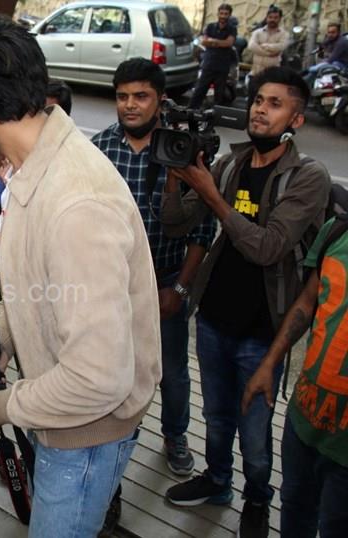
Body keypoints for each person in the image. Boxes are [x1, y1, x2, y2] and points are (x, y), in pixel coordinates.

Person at [0, 13, 162, 536]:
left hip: (85, 439)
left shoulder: (75, 205)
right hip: (56, 414)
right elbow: (39, 287)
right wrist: (5, 340)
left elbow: (99, 379)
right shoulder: (30, 168)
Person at [160, 66, 331, 538]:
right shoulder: (231, 163)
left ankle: (257, 498)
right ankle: (218, 481)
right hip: (213, 318)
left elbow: (268, 247)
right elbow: (176, 223)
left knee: (255, 436)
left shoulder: (307, 176)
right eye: (258, 100)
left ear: (296, 119)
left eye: (275, 104)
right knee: (216, 418)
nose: (260, 110)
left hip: (263, 331)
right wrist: (175, 174)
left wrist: (212, 195)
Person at [91, 58, 217, 532]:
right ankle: (117, 450)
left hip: (166, 282)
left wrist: (180, 287)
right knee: (114, 372)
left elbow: (202, 228)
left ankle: (176, 435)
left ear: (160, 100)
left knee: (173, 371)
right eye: (122, 96)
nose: (130, 105)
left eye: (140, 96)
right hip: (112, 284)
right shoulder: (99, 148)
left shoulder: (183, 150)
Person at [241, 216, 348, 538]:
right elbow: (308, 300)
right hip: (304, 421)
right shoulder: (337, 231)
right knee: (295, 509)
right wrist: (269, 363)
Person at [0, 79, 72, 253]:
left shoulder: (71, 170)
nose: (38, 122)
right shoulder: (11, 170)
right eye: (35, 114)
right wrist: (11, 186)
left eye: (46, 115)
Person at [189, 4, 237, 109]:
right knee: (199, 91)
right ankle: (190, 112)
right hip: (209, 64)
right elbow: (204, 41)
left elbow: (228, 43)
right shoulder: (210, 26)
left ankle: (215, 116)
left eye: (226, 14)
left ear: (229, 15)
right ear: (218, 14)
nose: (223, 16)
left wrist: (213, 41)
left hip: (222, 67)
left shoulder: (232, 29)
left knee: (219, 96)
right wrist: (220, 42)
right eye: (221, 13)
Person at [247, 6, 289, 77]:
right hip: (256, 72)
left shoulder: (284, 34)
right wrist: (269, 54)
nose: (272, 20)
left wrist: (264, 46)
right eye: (270, 17)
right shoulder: (257, 32)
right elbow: (251, 46)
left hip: (273, 74)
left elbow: (281, 46)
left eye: (275, 18)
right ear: (266, 18)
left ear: (280, 19)